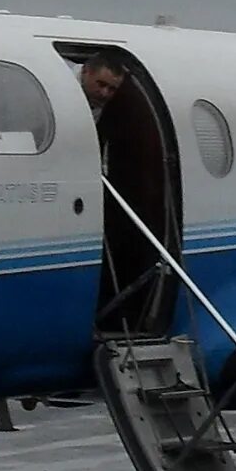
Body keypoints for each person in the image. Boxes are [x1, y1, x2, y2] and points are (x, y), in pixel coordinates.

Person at [78, 52, 170, 332]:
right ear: (85, 73)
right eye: (100, 85)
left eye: (112, 89)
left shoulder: (109, 108)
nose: (105, 94)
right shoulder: (63, 93)